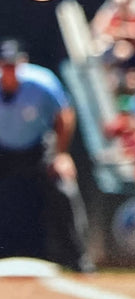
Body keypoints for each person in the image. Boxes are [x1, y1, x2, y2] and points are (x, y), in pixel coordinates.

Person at [0, 40, 92, 271]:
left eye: (13, 65)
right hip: (3, 148)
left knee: (63, 187)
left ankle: (78, 259)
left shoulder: (43, 82)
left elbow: (64, 115)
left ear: (23, 63)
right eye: (4, 65)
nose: (9, 70)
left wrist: (61, 155)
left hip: (37, 147)